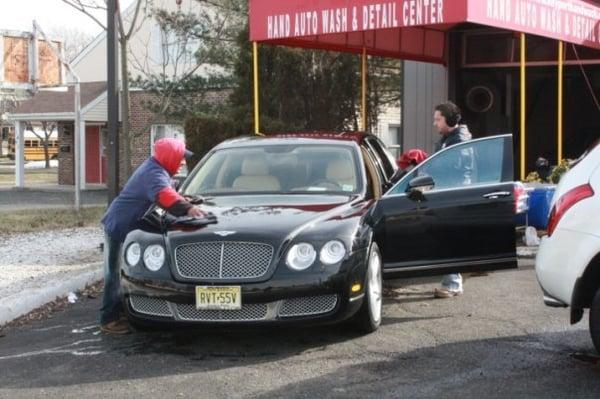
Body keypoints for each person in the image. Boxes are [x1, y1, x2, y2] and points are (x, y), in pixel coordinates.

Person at [100, 138, 204, 334]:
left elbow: (168, 188)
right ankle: (109, 319)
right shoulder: (153, 173)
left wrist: (185, 199)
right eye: (180, 158)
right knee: (113, 275)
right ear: (169, 156)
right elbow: (164, 195)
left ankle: (119, 312)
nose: (183, 162)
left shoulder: (158, 169)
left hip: (126, 225)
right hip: (119, 226)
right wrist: (188, 208)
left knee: (119, 272)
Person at [432, 101, 473, 299]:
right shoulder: (448, 139)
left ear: (450, 119)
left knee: (449, 240)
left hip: (454, 198)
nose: (435, 123)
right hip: (447, 196)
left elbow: (455, 172)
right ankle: (453, 280)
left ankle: (453, 283)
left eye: (438, 119)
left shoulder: (459, 142)